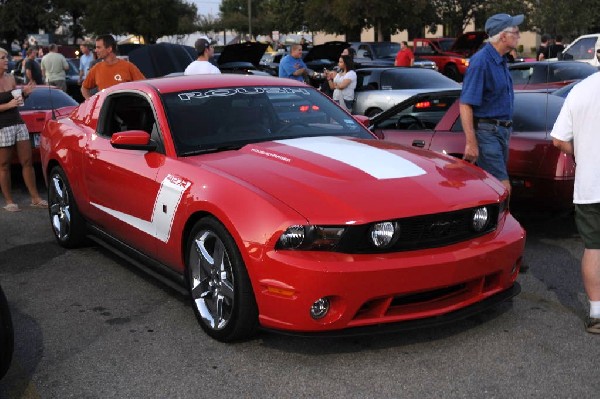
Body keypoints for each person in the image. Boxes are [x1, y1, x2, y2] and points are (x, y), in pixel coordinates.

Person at [551, 72, 600, 333]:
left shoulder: (579, 90)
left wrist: (581, 151)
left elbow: (559, 139)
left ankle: (596, 313)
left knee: (594, 247)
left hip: (590, 185)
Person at [459, 13, 524, 194]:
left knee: (493, 188)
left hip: (501, 131)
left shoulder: (501, 60)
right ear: (503, 36)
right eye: (516, 32)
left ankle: (492, 222)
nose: (519, 35)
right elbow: (465, 104)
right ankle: (501, 223)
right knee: (502, 188)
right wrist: (471, 142)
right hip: (488, 133)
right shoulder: (481, 62)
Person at [0, 48, 47, 212]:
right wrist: (8, 105)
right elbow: (8, 104)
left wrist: (24, 94)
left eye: (6, 57)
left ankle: (35, 198)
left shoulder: (10, 77)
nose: (6, 60)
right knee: (4, 165)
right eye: (2, 58)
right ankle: (9, 201)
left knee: (27, 161)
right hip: (2, 126)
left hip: (18, 123)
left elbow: (17, 101)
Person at [81, 34, 145, 100]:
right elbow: (84, 87)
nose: (95, 50)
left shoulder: (128, 66)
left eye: (98, 47)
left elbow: (144, 86)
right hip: (106, 109)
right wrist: (90, 101)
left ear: (109, 49)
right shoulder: (96, 68)